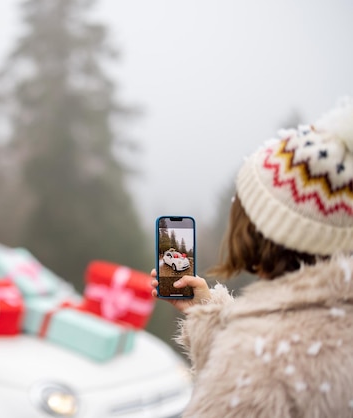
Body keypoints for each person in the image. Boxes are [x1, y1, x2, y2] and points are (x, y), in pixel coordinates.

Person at [151, 98, 353, 417]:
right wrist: (207, 312)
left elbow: (261, 362)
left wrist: (239, 350)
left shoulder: (255, 369)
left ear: (261, 231)